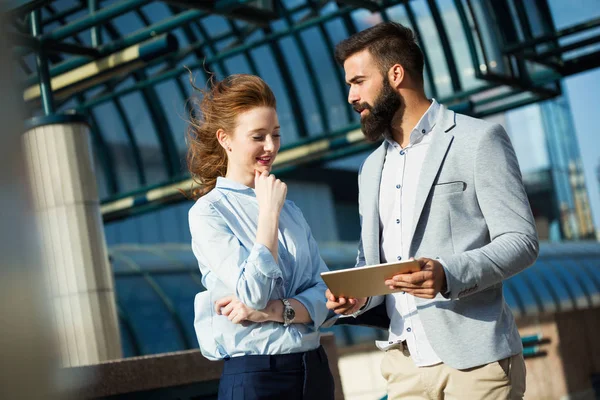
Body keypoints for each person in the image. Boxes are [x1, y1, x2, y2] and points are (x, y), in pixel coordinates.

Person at [326, 22, 539, 399]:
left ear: (395, 75)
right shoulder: (370, 168)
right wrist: (357, 297)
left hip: (476, 364)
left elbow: (521, 241)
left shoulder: (477, 140)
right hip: (402, 366)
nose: (351, 96)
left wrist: (447, 274)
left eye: (358, 81)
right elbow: (373, 257)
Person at [187, 74, 334, 400]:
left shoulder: (290, 208)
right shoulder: (209, 212)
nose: (271, 147)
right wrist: (268, 216)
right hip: (257, 377)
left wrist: (277, 311)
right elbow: (252, 293)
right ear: (225, 139)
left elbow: (326, 291)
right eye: (258, 136)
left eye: (276, 135)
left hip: (314, 370)